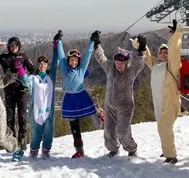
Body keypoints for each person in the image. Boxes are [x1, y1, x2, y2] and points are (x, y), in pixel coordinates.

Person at [135, 19, 183, 164]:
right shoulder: (157, 65)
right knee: (162, 128)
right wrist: (143, 46)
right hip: (159, 103)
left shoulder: (172, 65)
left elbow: (175, 51)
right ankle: (166, 150)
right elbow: (148, 59)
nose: (163, 54)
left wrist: (175, 36)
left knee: (164, 126)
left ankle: (171, 156)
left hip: (170, 102)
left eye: (165, 52)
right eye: (161, 52)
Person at [93, 31, 146, 158]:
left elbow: (139, 62)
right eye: (117, 62)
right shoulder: (110, 68)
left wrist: (142, 48)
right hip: (110, 106)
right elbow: (101, 58)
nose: (119, 65)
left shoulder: (131, 71)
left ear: (127, 62)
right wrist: (97, 44)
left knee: (122, 132)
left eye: (122, 63)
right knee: (109, 131)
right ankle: (113, 149)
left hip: (125, 106)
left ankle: (131, 149)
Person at [54, 30, 102, 159]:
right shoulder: (65, 69)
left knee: (97, 125)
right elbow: (61, 55)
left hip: (82, 97)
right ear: (68, 61)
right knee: (74, 126)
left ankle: (100, 115)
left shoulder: (82, 69)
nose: (73, 62)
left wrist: (92, 41)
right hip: (70, 99)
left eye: (76, 60)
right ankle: (79, 150)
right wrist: (58, 42)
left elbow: (87, 55)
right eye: (71, 60)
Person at [0, 37, 35, 149]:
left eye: (16, 46)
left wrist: (31, 81)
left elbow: (33, 70)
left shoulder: (23, 57)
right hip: (9, 89)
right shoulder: (4, 57)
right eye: (12, 46)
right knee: (10, 116)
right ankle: (11, 141)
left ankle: (22, 139)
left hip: (22, 90)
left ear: (19, 46)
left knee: (22, 115)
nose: (14, 48)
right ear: (9, 47)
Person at [18, 50, 58, 159]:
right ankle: (33, 153)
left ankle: (46, 153)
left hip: (49, 111)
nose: (42, 66)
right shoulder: (33, 78)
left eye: (45, 64)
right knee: (36, 134)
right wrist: (20, 68)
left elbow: (55, 62)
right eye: (40, 64)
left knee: (48, 133)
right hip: (36, 111)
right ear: (37, 65)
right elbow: (25, 81)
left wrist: (56, 46)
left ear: (47, 65)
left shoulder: (51, 78)